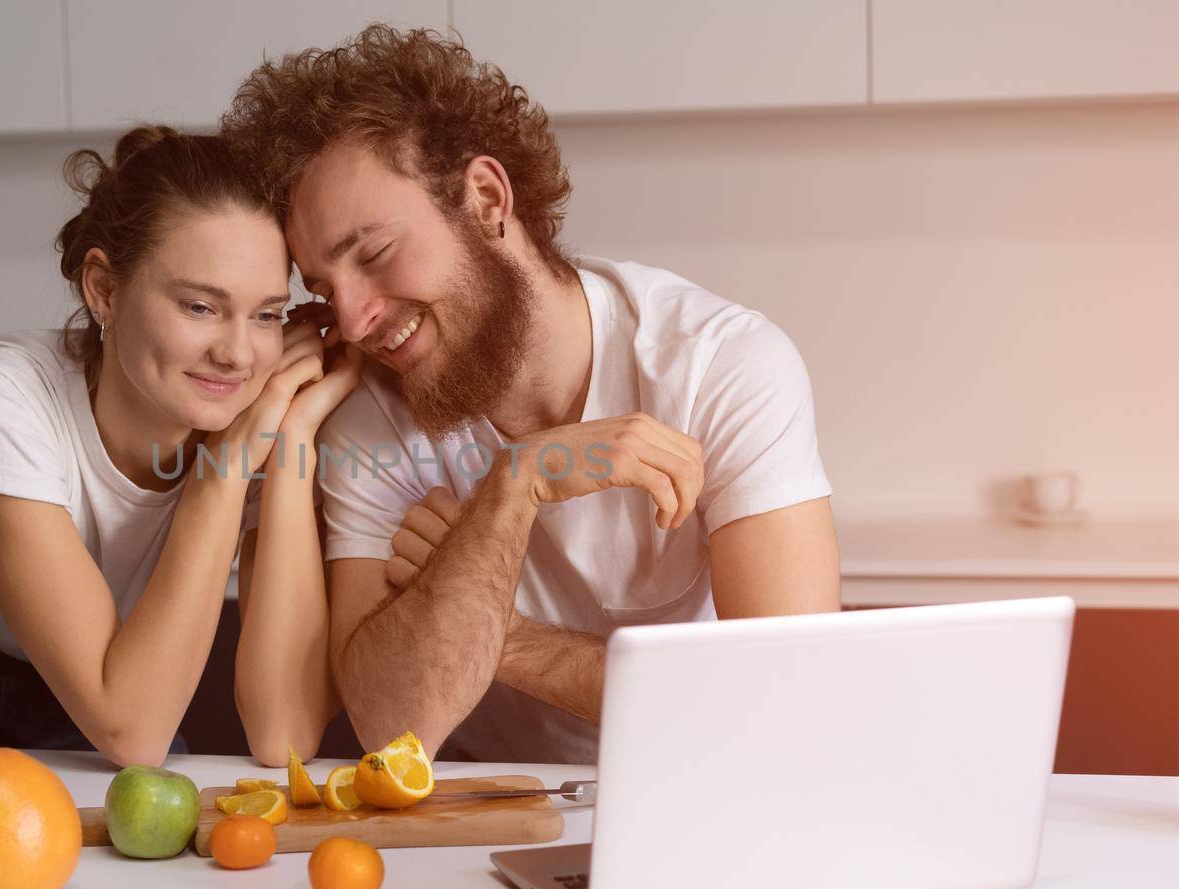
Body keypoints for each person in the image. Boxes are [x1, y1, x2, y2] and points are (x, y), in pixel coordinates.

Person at [220, 26, 841, 764]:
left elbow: (785, 700)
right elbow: (389, 723)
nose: (352, 320)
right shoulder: (370, 418)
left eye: (376, 255)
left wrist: (498, 633)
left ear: (486, 198)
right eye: (324, 288)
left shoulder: (722, 368)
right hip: (489, 822)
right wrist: (516, 484)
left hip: (706, 782)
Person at [0, 126, 361, 767]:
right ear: (104, 289)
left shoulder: (258, 416)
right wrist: (221, 472)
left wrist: (291, 445)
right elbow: (133, 732)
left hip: (109, 678)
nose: (237, 354)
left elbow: (283, 737)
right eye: (201, 306)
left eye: (265, 314)